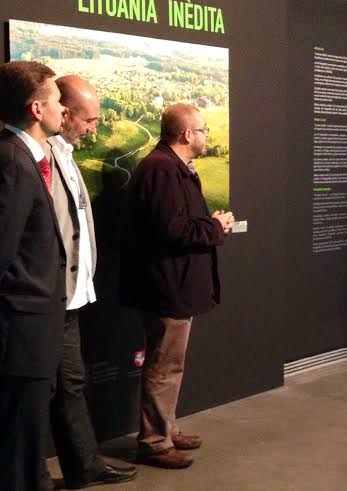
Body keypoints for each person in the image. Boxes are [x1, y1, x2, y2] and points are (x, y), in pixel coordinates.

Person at [119, 103, 234, 469]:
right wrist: (217, 228)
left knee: (169, 363)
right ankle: (154, 442)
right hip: (165, 287)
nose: (205, 136)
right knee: (164, 365)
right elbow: (174, 230)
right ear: (186, 134)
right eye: (202, 130)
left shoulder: (169, 168)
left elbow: (175, 224)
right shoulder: (162, 171)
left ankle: (165, 429)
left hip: (171, 284)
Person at [44, 75, 138, 487]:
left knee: (71, 385)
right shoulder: (35, 158)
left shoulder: (62, 154)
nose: (93, 128)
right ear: (63, 112)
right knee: (42, 391)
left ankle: (83, 466)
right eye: (88, 119)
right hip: (46, 301)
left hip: (69, 298)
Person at [0, 61, 66, 491]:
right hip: (21, 327)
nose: (65, 108)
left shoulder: (23, 156)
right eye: (58, 100)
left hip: (31, 325)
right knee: (18, 441)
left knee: (25, 434)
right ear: (37, 108)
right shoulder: (13, 162)